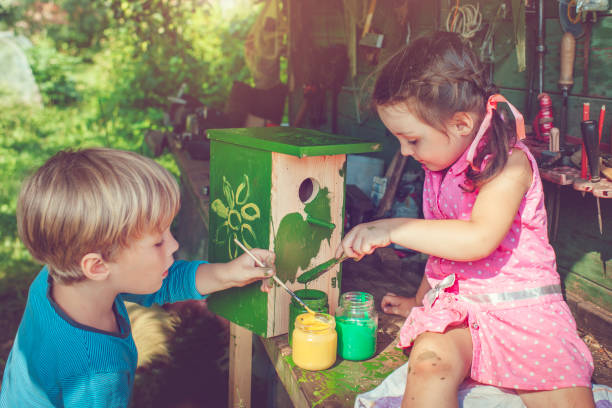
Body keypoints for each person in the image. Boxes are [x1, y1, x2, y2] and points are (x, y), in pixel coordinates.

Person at [336, 32, 594, 408]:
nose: (405, 152)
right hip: (459, 313)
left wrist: (391, 228)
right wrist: (419, 301)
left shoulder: (511, 164)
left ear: (460, 124)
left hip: (523, 314)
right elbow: (444, 251)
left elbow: (477, 239)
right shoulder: (439, 168)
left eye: (412, 140)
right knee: (428, 365)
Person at [0, 148, 274, 407]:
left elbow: (164, 282)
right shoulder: (97, 373)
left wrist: (228, 273)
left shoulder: (60, 275)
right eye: (158, 242)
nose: (174, 245)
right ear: (96, 267)